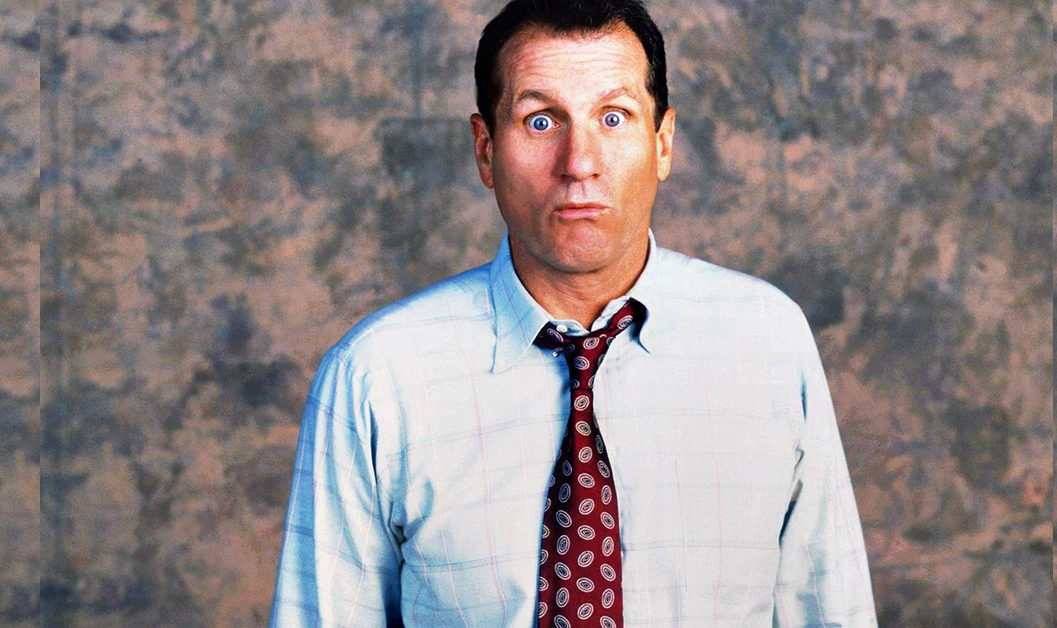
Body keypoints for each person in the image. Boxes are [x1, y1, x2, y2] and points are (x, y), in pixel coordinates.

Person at [267, 0, 877, 626]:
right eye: (539, 122)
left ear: (663, 143)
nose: (579, 162)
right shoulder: (378, 377)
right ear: (485, 150)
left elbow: (832, 612)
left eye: (614, 118)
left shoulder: (767, 343)